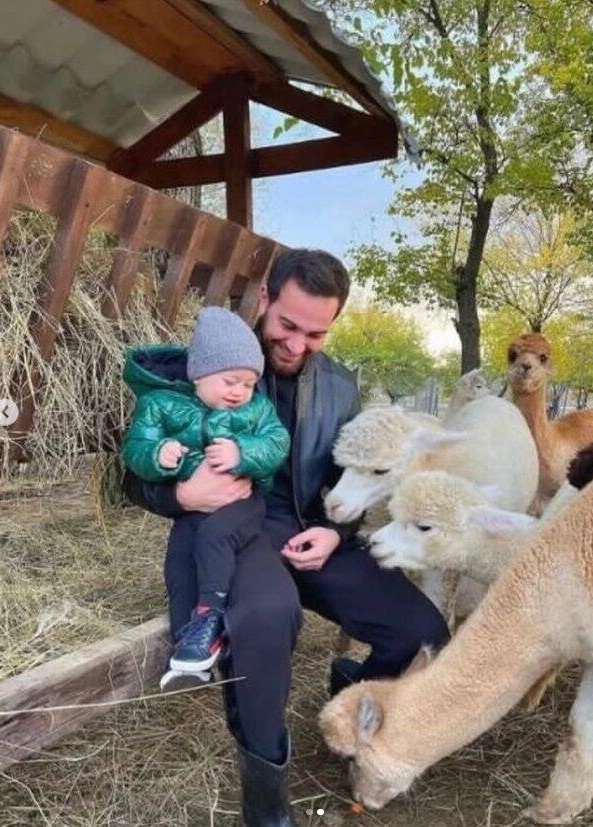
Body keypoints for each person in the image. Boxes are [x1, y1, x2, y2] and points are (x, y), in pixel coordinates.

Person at [124, 249, 449, 825]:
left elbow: (346, 480)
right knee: (266, 619)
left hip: (309, 531)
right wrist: (182, 497)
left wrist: (334, 531)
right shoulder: (208, 363)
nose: (297, 344)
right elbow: (131, 474)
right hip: (236, 529)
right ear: (265, 299)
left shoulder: (341, 388)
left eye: (316, 334)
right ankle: (267, 803)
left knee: (422, 630)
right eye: (287, 325)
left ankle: (350, 690)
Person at [121, 308, 290, 688]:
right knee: (179, 559)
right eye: (231, 381)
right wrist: (159, 456)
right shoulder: (161, 404)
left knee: (213, 537)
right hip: (194, 508)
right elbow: (136, 447)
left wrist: (242, 453)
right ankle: (189, 653)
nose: (240, 392)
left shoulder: (257, 410)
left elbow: (277, 442)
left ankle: (209, 617)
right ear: (199, 373)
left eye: (249, 384)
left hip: (243, 501)